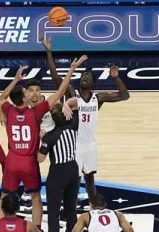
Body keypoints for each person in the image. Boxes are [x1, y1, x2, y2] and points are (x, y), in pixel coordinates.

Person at [0, 55, 88, 232]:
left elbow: (0, 99)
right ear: (24, 99)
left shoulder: (9, 110)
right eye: (27, 93)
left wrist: (15, 80)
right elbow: (60, 92)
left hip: (12, 160)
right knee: (36, 197)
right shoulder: (35, 113)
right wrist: (72, 69)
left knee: (4, 197)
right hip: (29, 161)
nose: (31, 94)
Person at [43, 37, 130, 201]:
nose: (85, 78)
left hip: (89, 145)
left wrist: (115, 78)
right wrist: (48, 51)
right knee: (73, 179)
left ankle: (93, 205)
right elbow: (55, 76)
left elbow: (125, 96)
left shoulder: (99, 98)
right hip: (73, 145)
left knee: (89, 178)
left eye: (89, 77)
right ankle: (70, 205)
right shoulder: (71, 93)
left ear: (93, 84)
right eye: (83, 76)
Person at [38, 104, 79, 232]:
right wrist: (68, 105)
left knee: (53, 213)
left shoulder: (50, 136)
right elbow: (75, 104)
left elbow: (40, 158)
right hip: (73, 171)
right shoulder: (74, 126)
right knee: (71, 210)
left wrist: (41, 140)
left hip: (57, 173)